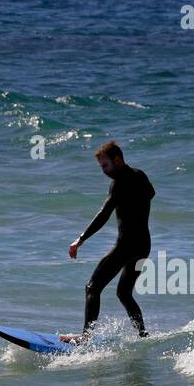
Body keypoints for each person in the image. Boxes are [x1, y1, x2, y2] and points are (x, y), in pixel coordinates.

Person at [61, 141, 155, 342]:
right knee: (124, 293)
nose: (104, 171)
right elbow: (151, 194)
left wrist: (81, 239)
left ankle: (85, 337)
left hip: (126, 245)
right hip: (143, 244)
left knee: (92, 287)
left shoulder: (118, 184)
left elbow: (104, 214)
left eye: (105, 166)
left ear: (117, 160)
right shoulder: (140, 175)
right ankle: (143, 334)